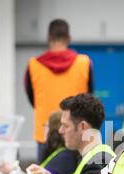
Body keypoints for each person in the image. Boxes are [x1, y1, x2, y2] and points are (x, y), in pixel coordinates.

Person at [24, 19, 94, 163]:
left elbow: (33, 99)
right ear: (69, 38)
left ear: (48, 38)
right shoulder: (84, 62)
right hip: (76, 133)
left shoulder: (33, 65)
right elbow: (89, 99)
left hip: (46, 134)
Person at [28, 93, 115, 174]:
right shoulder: (87, 156)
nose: (60, 131)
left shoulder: (99, 161)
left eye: (65, 126)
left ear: (83, 126)